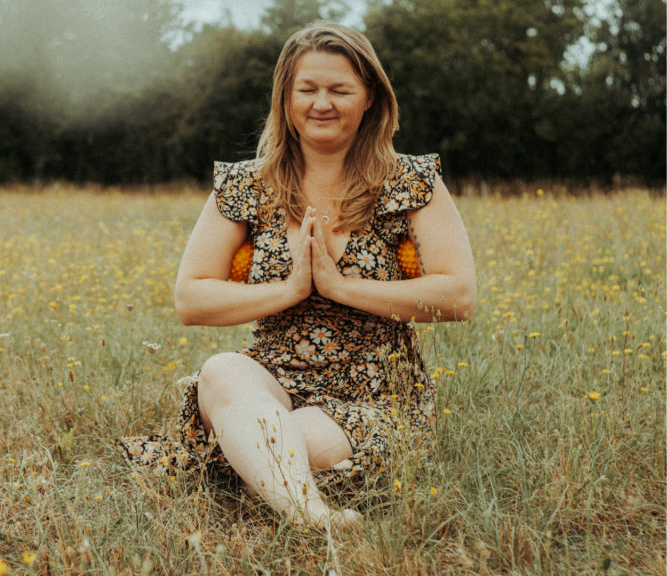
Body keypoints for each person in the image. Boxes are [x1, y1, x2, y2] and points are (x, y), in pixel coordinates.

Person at [117, 21, 476, 530]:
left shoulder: (411, 183)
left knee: (263, 445)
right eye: (307, 89)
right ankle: (309, 511)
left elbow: (458, 295)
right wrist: (290, 290)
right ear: (285, 98)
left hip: (377, 396)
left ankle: (266, 484)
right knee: (222, 371)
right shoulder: (245, 185)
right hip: (271, 381)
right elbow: (191, 299)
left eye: (340, 89)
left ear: (370, 96)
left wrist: (341, 288)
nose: (322, 103)